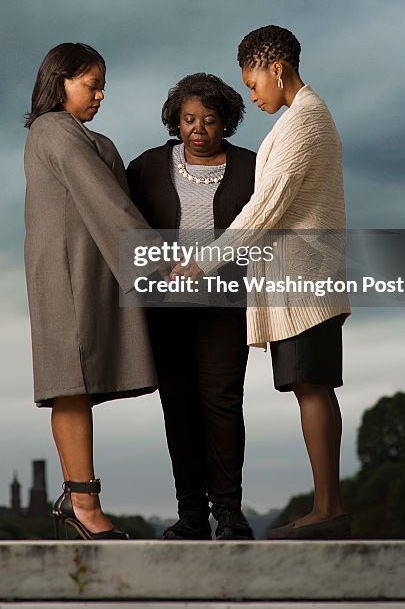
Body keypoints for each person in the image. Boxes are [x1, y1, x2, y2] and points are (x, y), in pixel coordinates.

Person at [172, 26, 352, 540]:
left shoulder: (306, 120)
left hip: (306, 285)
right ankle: (325, 507)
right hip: (299, 283)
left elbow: (266, 207)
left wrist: (202, 263)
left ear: (275, 67)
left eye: (252, 83)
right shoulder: (299, 118)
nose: (252, 94)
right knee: (308, 387)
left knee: (313, 389)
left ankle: (328, 510)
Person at [23, 42, 159, 540]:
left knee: (74, 382)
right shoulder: (53, 129)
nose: (101, 94)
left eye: (103, 86)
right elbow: (102, 197)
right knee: (70, 382)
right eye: (91, 84)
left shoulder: (77, 133)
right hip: (66, 271)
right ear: (60, 81)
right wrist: (154, 259)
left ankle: (79, 500)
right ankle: (83, 503)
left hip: (85, 265)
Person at [126, 73, 257, 541]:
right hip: (166, 308)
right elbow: (124, 224)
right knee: (179, 407)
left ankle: (229, 513)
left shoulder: (251, 168)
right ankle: (191, 516)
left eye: (209, 120)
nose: (198, 129)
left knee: (222, 403)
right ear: (175, 121)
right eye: (188, 119)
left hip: (227, 307)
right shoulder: (145, 167)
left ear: (226, 123)